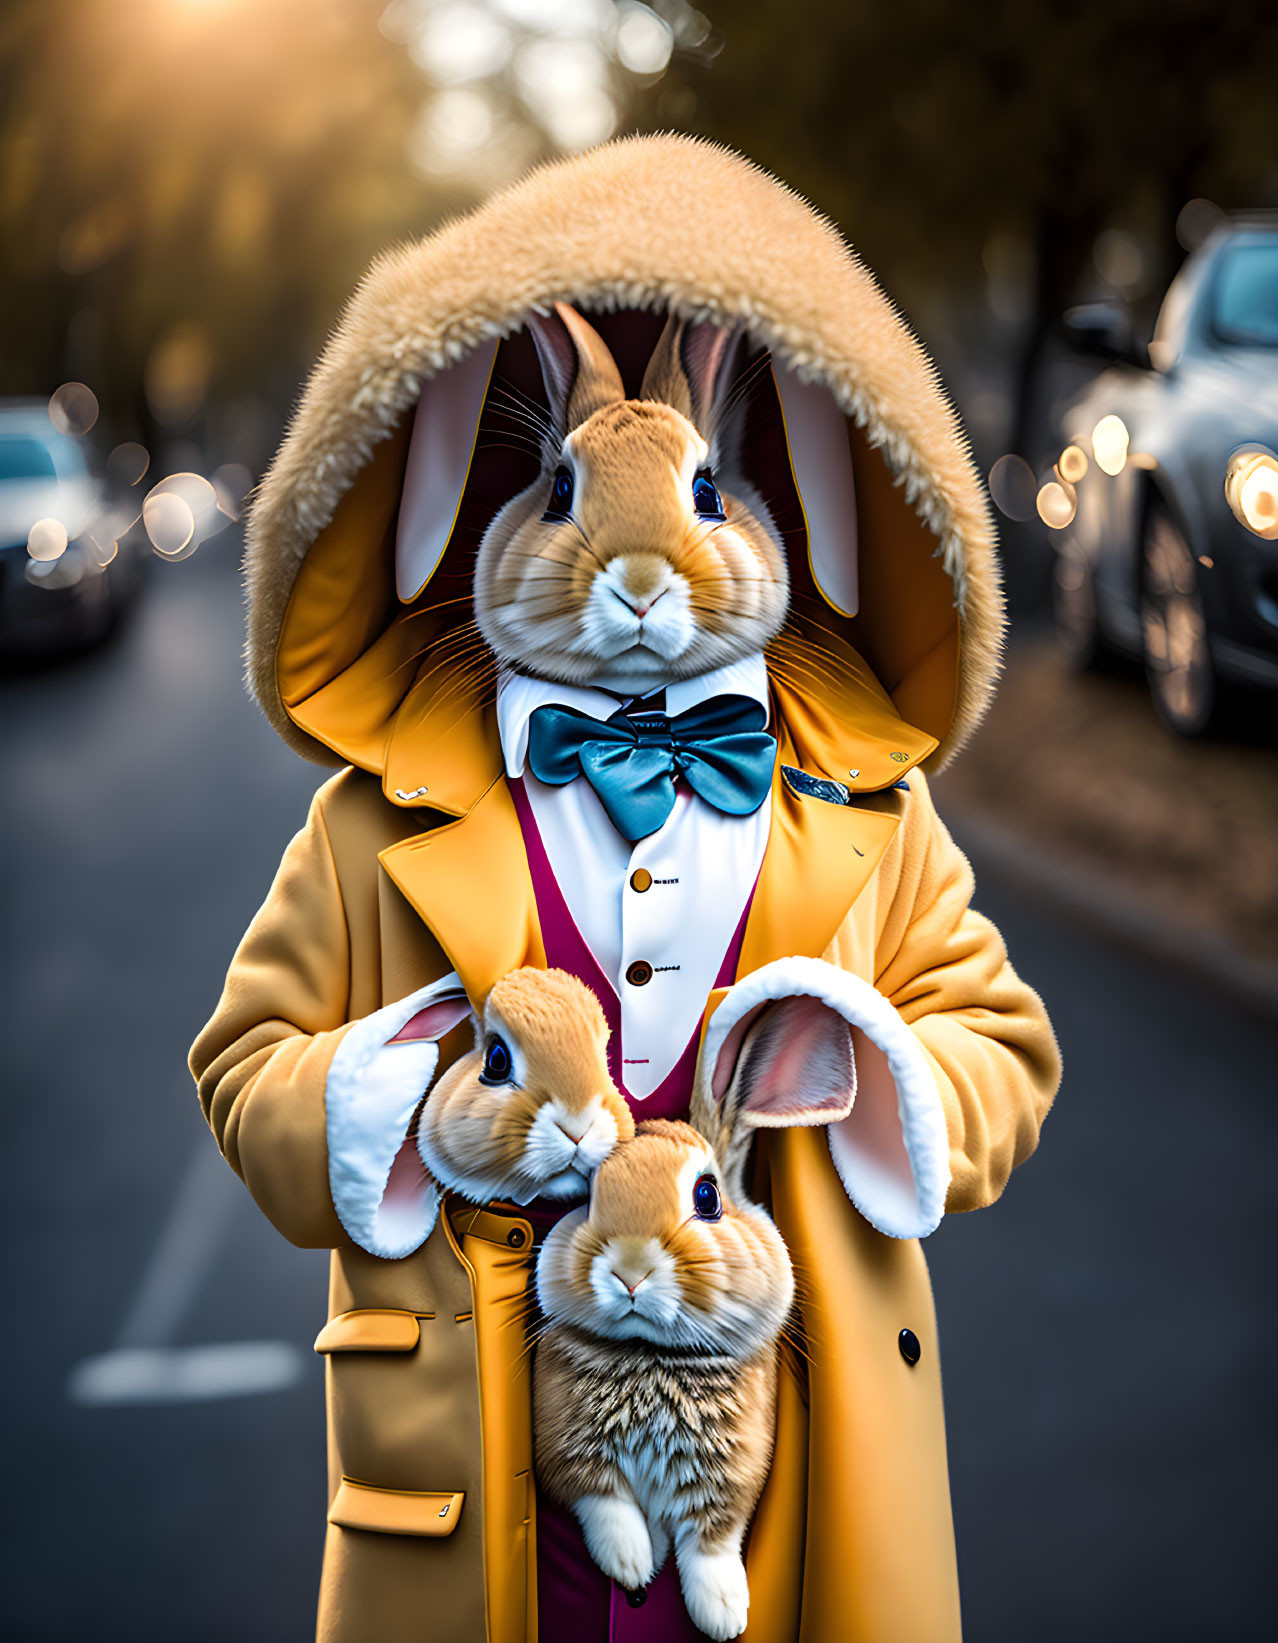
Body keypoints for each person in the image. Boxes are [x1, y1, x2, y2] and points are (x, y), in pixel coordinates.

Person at [191, 134, 1060, 1643]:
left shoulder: (873, 811)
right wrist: (410, 1104)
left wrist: (876, 1078)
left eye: (703, 497)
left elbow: (1004, 1051)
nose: (642, 575)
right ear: (470, 509)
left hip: (790, 1510)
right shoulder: (367, 827)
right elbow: (244, 1072)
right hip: (489, 1521)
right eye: (565, 495)